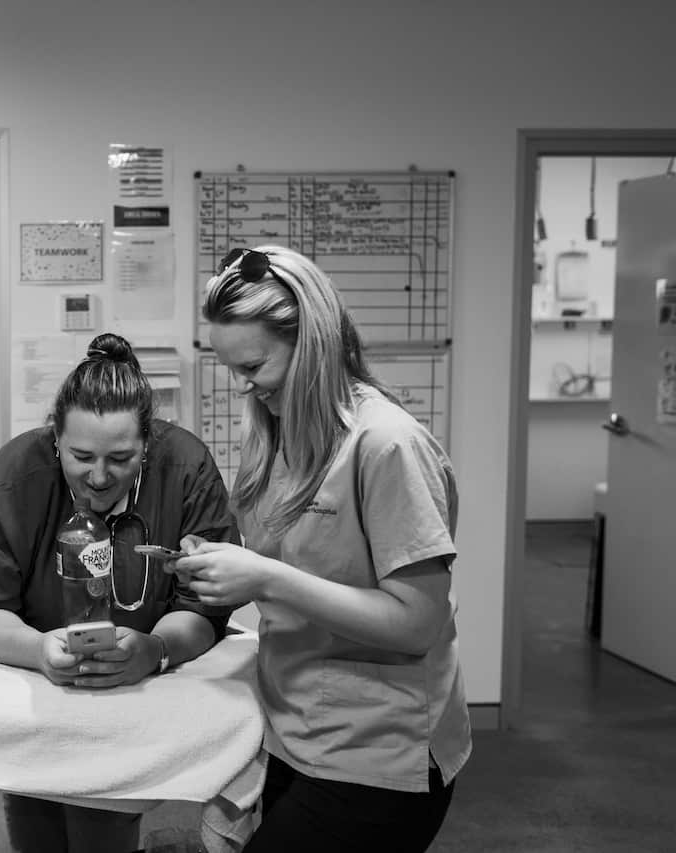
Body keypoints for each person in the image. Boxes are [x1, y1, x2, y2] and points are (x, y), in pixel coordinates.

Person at [176, 245, 470, 852]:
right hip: (294, 729)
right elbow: (294, 562)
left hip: (377, 755)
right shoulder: (278, 434)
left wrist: (265, 578)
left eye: (254, 366)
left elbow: (416, 623)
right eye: (232, 369)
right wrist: (218, 565)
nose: (244, 386)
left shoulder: (387, 446)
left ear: (312, 344)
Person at [0, 332, 241, 853]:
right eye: (81, 456)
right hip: (37, 695)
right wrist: (38, 650)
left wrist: (155, 650)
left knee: (105, 828)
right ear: (55, 438)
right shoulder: (15, 478)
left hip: (142, 700)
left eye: (121, 458)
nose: (99, 477)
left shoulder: (185, 469)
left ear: (148, 445)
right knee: (36, 829)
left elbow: (205, 608)